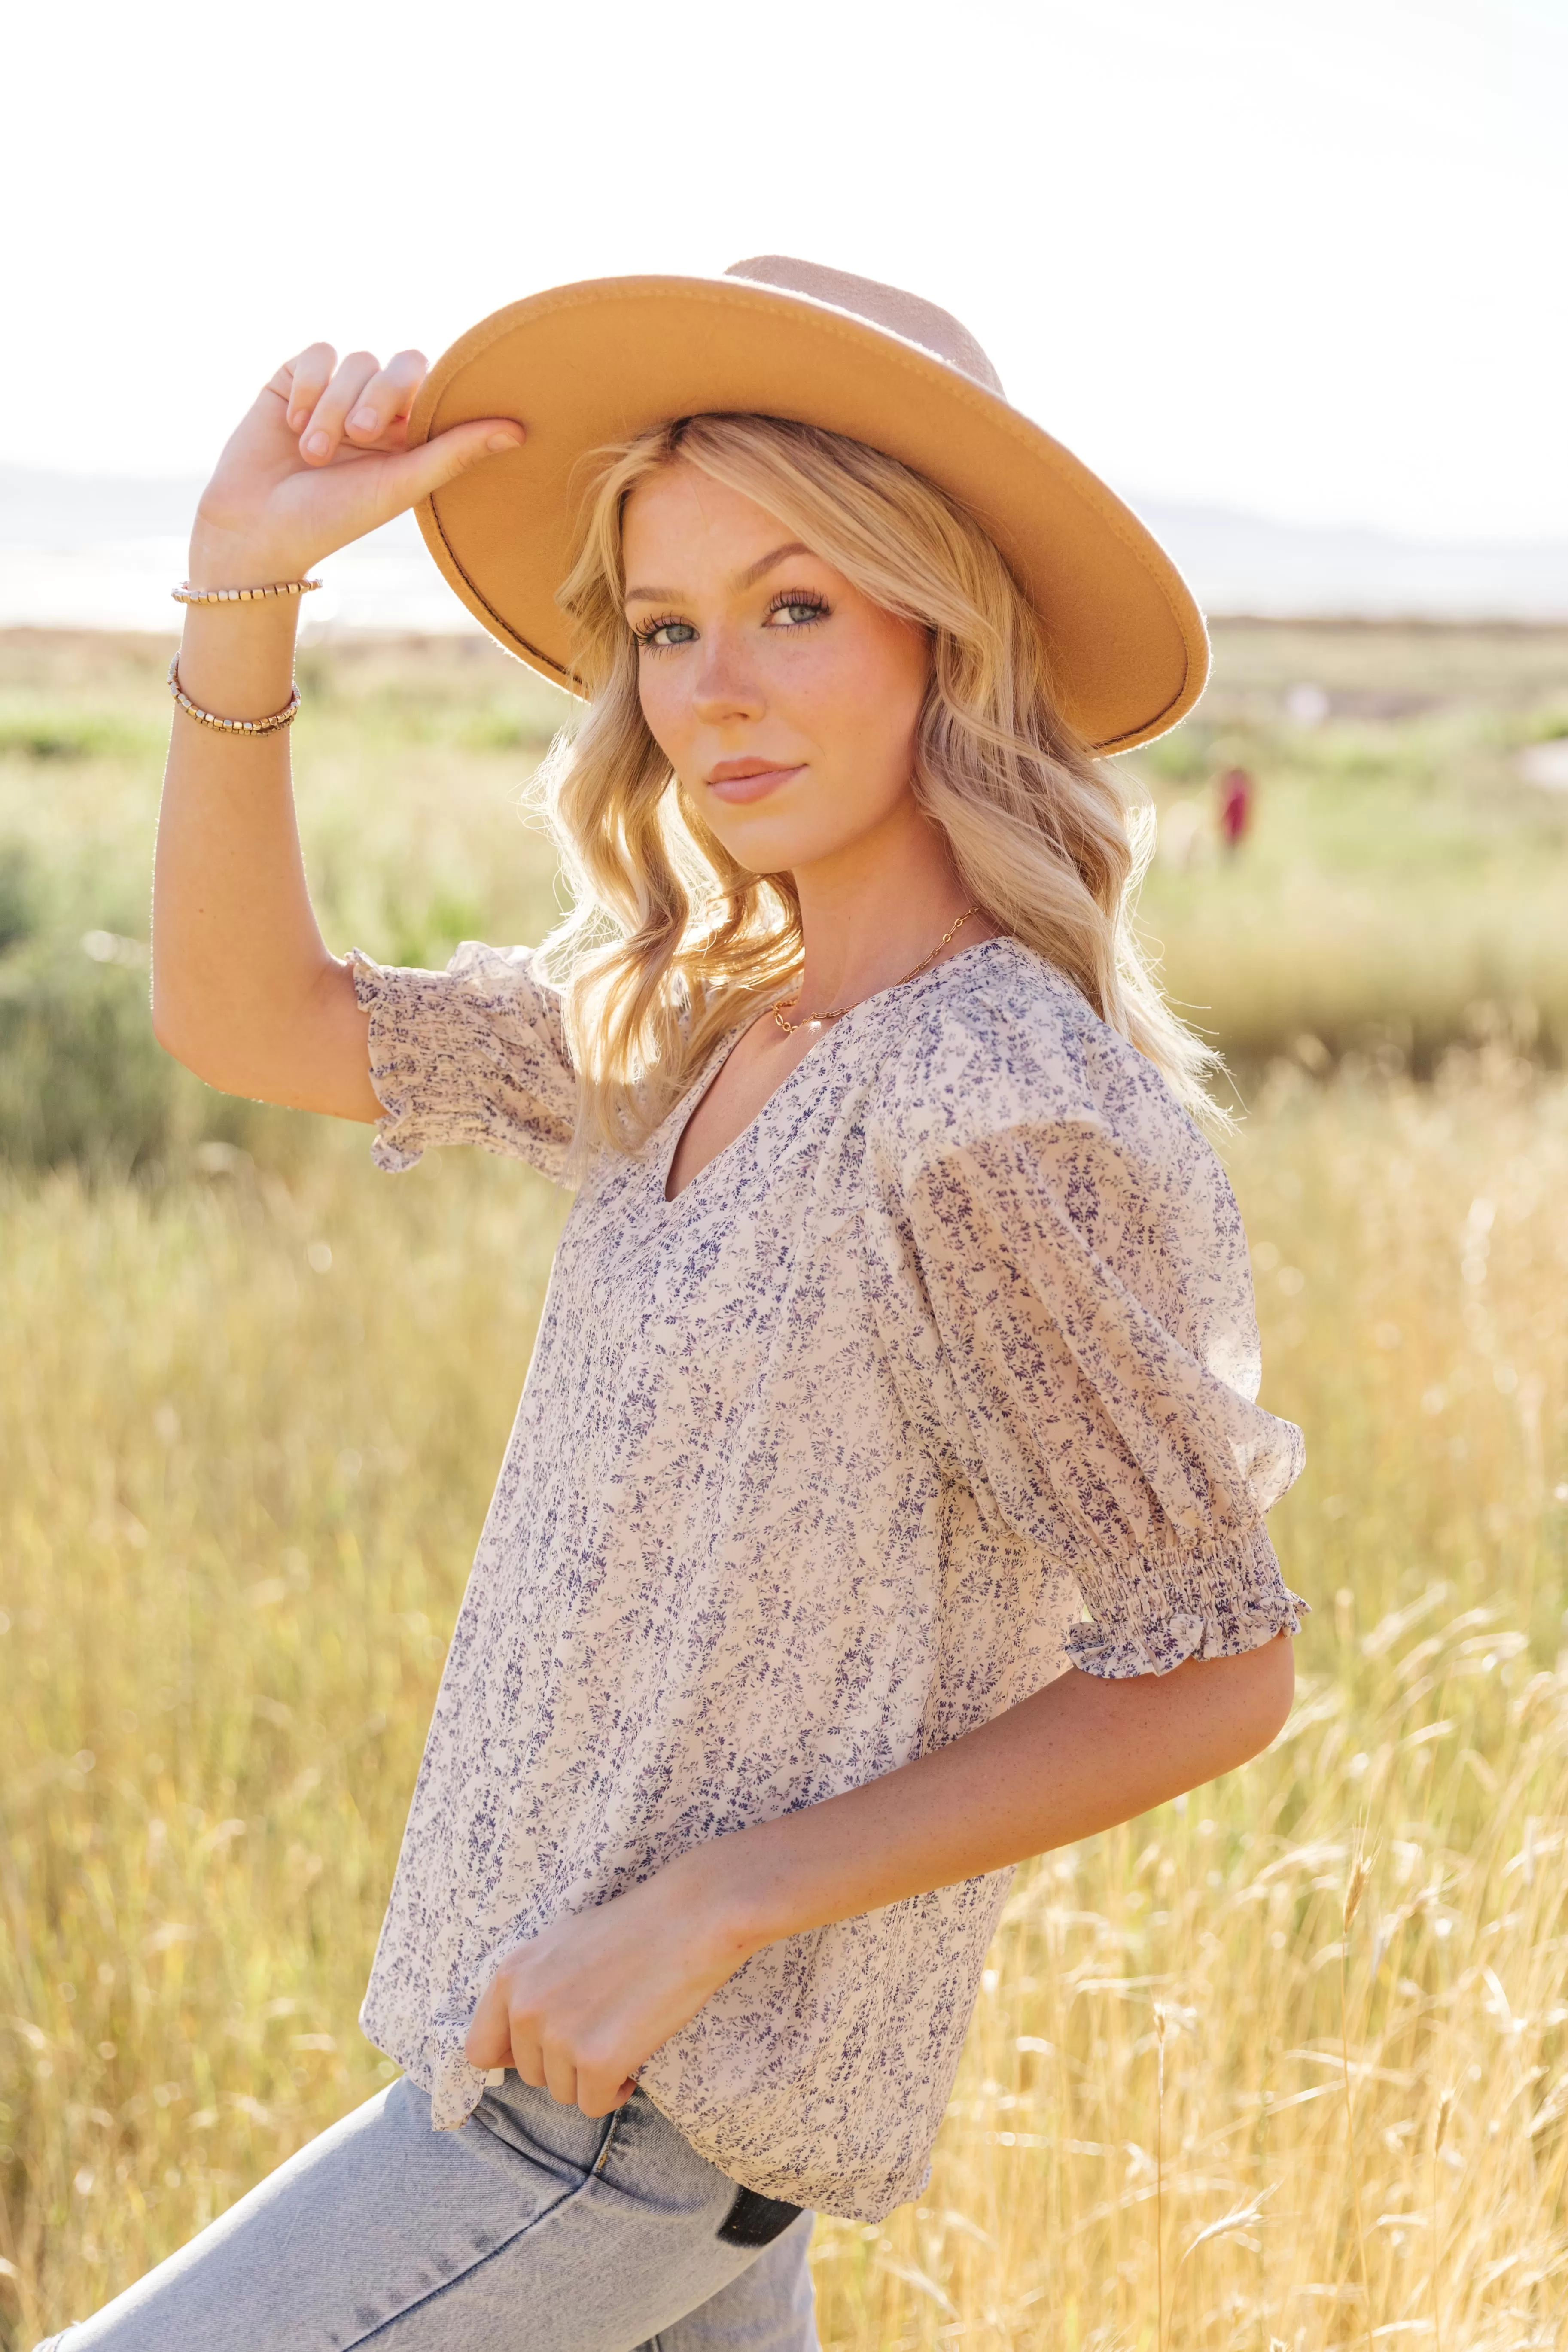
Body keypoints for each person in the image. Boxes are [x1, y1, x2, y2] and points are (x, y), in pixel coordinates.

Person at [40, 258, 1306, 2352]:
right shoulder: (691, 1026)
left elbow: (1213, 1667)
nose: (714, 689)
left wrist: (712, 1906)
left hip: (607, 2144)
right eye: (665, 626)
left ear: (946, 625)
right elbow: (245, 1012)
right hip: (576, 2089)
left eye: (796, 606)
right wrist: (240, 584)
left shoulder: (977, 1099)